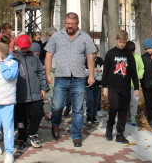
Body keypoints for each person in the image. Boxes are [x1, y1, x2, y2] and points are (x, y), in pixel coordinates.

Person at [44, 13, 96, 147]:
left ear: (77, 23)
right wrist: (48, 73)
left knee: (78, 109)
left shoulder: (85, 37)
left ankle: (76, 136)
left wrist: (91, 75)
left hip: (78, 78)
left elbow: (90, 57)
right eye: (68, 23)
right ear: (64, 22)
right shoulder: (56, 37)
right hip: (61, 77)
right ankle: (55, 123)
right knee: (57, 106)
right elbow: (48, 55)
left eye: (73, 24)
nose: (70, 26)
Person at [13, 35, 48, 152]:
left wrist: (43, 88)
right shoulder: (13, 59)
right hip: (20, 96)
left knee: (38, 114)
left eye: (26, 47)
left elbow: (41, 72)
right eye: (22, 47)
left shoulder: (34, 57)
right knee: (21, 120)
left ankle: (32, 133)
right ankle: (22, 138)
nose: (24, 49)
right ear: (17, 45)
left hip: (35, 94)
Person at [102, 30, 139, 144]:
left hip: (125, 88)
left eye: (124, 42)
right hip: (113, 87)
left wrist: (137, 87)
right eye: (120, 42)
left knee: (123, 110)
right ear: (116, 40)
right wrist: (104, 86)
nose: (122, 44)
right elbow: (106, 71)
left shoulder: (129, 55)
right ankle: (109, 127)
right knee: (114, 107)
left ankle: (120, 133)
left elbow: (133, 71)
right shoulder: (110, 53)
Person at [125, 41, 144, 126]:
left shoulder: (138, 57)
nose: (131, 53)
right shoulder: (124, 57)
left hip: (134, 85)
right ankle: (124, 115)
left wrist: (139, 75)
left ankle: (133, 117)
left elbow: (141, 68)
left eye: (132, 52)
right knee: (125, 102)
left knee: (134, 102)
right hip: (125, 85)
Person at [85, 50, 104, 125]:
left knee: (96, 100)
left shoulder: (99, 60)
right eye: (92, 54)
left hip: (98, 83)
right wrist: (91, 70)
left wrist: (101, 70)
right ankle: (88, 116)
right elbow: (84, 71)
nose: (93, 55)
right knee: (90, 100)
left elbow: (104, 69)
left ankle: (94, 115)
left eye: (95, 54)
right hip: (88, 84)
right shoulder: (85, 60)